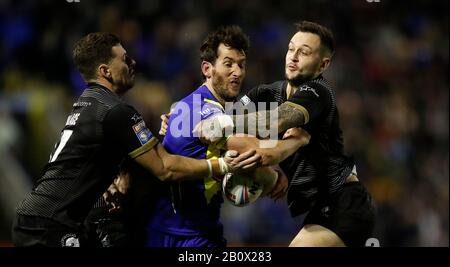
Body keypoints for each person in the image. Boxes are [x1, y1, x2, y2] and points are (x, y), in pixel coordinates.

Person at [11, 32, 261, 247]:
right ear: (105, 71)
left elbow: (101, 156)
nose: (132, 62)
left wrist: (162, 133)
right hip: (53, 224)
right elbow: (165, 169)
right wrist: (224, 165)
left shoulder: (88, 103)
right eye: (124, 59)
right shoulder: (117, 111)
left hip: (40, 216)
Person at [162, 21, 376, 247]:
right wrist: (177, 117)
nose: (293, 57)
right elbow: (215, 112)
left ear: (323, 65)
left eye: (304, 52)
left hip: (345, 201)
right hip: (318, 210)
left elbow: (278, 120)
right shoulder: (267, 92)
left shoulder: (318, 92)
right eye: (291, 49)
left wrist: (226, 123)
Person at [146, 25, 311, 247]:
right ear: (207, 68)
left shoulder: (186, 105)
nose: (238, 72)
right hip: (191, 236)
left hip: (166, 230)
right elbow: (258, 151)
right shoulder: (205, 110)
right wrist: (296, 143)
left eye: (241, 64)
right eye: (228, 64)